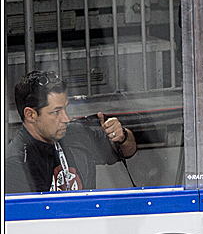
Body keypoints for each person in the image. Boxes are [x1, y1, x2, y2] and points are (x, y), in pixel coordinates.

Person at [6, 71, 136, 194]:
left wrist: (121, 136)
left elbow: (127, 151)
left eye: (65, 109)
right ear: (30, 115)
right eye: (56, 112)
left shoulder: (76, 134)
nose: (66, 118)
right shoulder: (14, 163)